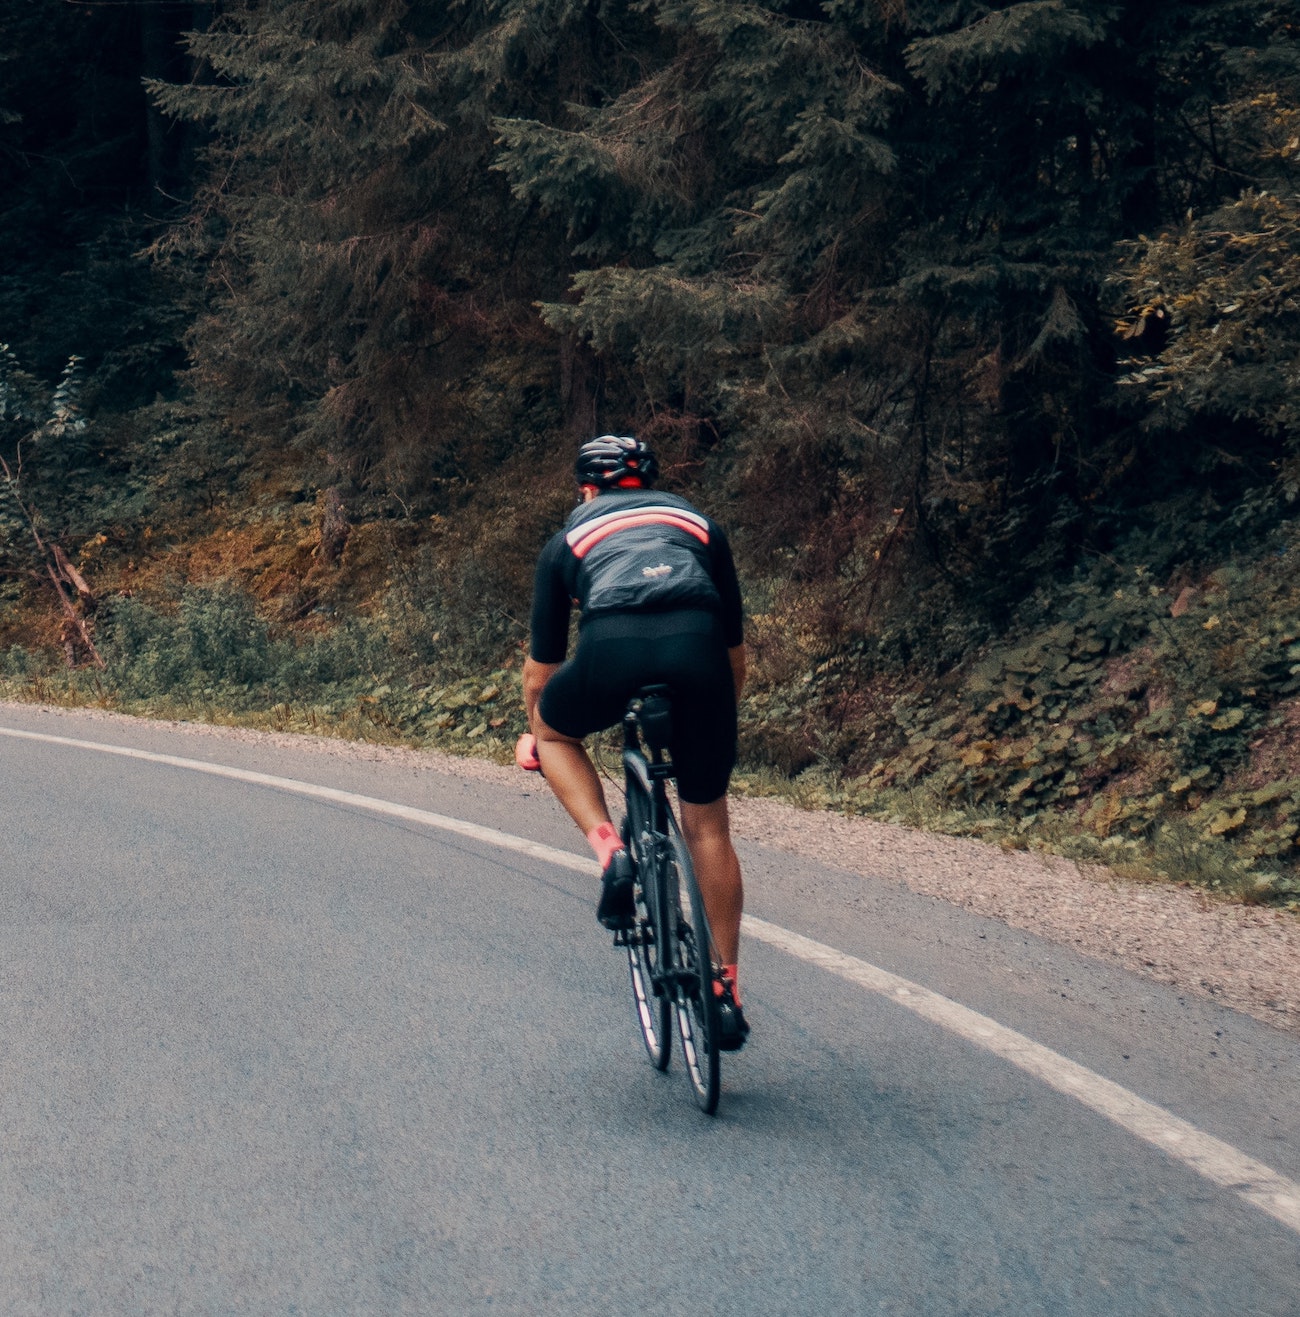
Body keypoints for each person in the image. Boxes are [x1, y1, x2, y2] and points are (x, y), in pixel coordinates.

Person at [517, 434, 750, 1049]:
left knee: (552, 728)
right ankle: (724, 989)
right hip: (700, 657)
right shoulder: (700, 526)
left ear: (587, 490)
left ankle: (610, 851)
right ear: (650, 483)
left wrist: (534, 732)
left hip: (609, 648)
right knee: (708, 828)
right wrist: (718, 711)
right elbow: (735, 655)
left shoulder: (566, 541)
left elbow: (541, 676)